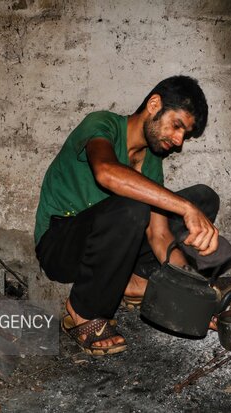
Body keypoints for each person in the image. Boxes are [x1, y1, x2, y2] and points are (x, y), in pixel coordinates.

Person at [34, 75, 220, 355]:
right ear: (154, 104)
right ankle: (82, 310)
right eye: (177, 125)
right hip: (61, 244)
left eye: (186, 134)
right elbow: (106, 173)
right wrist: (184, 207)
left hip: (115, 244)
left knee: (202, 198)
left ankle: (135, 282)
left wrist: (191, 289)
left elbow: (159, 235)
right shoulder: (102, 123)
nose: (179, 140)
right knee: (137, 205)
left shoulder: (152, 160)